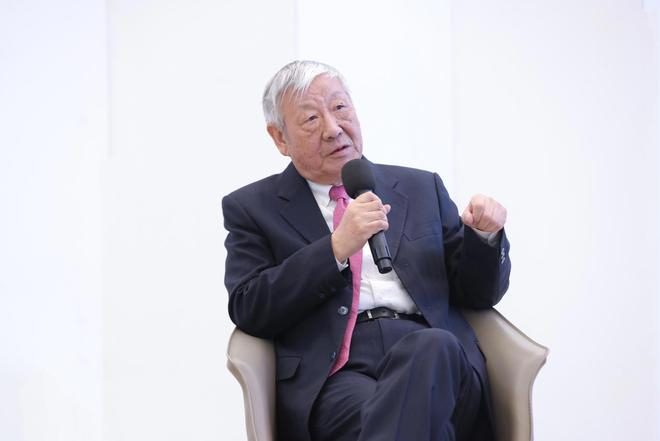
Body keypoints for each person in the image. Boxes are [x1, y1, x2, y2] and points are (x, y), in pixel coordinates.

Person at [222, 60, 510, 441]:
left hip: (438, 361)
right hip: (338, 376)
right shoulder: (253, 208)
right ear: (280, 138)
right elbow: (250, 306)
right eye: (311, 119)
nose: (333, 128)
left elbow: (477, 294)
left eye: (340, 108)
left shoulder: (421, 188)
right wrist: (335, 249)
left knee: (431, 351)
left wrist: (485, 238)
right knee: (408, 421)